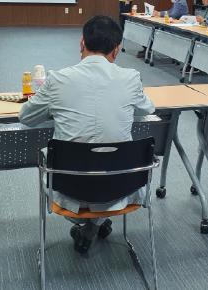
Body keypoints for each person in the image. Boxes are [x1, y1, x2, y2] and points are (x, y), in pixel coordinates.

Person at [19, 15, 154, 254]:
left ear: (82, 42)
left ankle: (88, 222)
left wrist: (56, 109)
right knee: (104, 162)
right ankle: (96, 222)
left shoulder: (57, 79)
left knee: (61, 162)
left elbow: (26, 117)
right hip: (122, 184)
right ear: (117, 49)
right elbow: (147, 109)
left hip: (70, 187)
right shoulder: (131, 78)